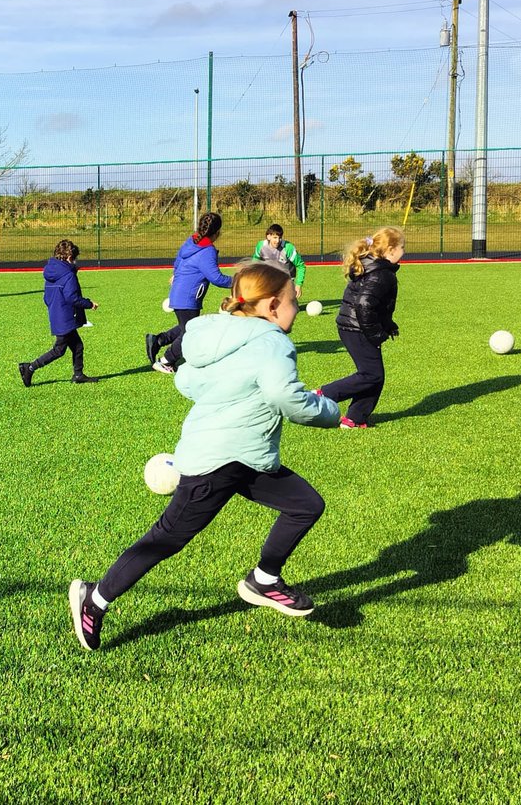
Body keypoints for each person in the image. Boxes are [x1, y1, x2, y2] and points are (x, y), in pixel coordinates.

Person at [70, 262, 340, 650]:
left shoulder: (221, 333)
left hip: (245, 457)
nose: (298, 307)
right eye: (294, 301)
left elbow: (187, 380)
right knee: (166, 539)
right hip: (217, 461)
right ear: (271, 305)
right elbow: (285, 396)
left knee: (305, 504)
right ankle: (93, 600)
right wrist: (328, 411)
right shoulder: (273, 342)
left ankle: (263, 579)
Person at [316, 228, 405, 429]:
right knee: (371, 375)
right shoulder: (382, 274)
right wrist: (375, 334)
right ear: (390, 250)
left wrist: (388, 325)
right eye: (402, 247)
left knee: (374, 375)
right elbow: (364, 305)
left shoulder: (371, 265)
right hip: (359, 329)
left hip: (351, 326)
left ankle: (355, 418)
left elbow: (377, 305)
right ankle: (324, 394)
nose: (404, 251)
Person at [145, 212, 232, 375]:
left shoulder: (192, 240)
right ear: (218, 232)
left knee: (188, 326)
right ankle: (166, 361)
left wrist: (176, 273)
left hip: (180, 291)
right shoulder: (208, 250)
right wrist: (238, 282)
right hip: (189, 296)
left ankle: (159, 340)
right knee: (191, 332)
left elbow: (178, 259)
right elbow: (216, 278)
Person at [19, 239, 99, 386]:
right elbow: (72, 298)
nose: (75, 262)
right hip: (65, 317)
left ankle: (78, 374)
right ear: (69, 258)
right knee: (59, 350)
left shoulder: (52, 271)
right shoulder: (68, 274)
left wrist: (55, 308)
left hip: (57, 313)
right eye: (75, 259)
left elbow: (46, 297)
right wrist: (89, 303)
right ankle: (29, 368)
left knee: (77, 345)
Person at [253, 223, 307, 298]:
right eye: (275, 237)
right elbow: (254, 263)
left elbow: (301, 266)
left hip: (286, 280)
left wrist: (298, 285)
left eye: (280, 237)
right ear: (268, 236)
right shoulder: (261, 246)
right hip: (269, 279)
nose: (278, 241)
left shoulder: (288, 248)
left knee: (287, 308)